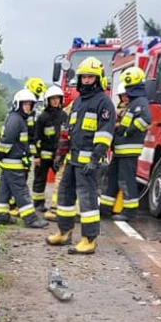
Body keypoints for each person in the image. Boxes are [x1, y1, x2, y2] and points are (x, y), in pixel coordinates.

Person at [46, 56, 114, 254]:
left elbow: (104, 134)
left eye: (90, 77)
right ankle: (64, 232)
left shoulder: (104, 103)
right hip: (72, 161)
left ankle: (89, 239)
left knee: (88, 201)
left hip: (89, 163)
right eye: (83, 77)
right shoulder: (77, 103)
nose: (85, 81)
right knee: (65, 197)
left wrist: (95, 159)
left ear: (98, 78)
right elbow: (68, 131)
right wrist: (60, 154)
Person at [0, 88, 49, 228]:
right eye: (24, 104)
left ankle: (2, 216)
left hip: (9, 163)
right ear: (17, 104)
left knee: (4, 190)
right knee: (21, 191)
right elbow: (7, 140)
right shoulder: (16, 120)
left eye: (30, 104)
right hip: (14, 163)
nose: (27, 107)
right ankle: (31, 219)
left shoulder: (16, 118)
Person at [101, 66, 149, 222]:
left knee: (126, 180)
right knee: (112, 178)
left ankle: (129, 212)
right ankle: (105, 208)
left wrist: (127, 131)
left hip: (129, 150)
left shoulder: (140, 102)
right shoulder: (133, 103)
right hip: (120, 150)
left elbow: (145, 121)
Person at [32, 84, 65, 211]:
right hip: (44, 154)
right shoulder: (42, 117)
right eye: (53, 99)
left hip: (59, 154)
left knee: (61, 180)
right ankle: (39, 204)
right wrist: (36, 156)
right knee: (40, 179)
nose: (56, 101)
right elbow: (36, 138)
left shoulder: (63, 116)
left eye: (58, 98)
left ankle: (59, 205)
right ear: (48, 100)